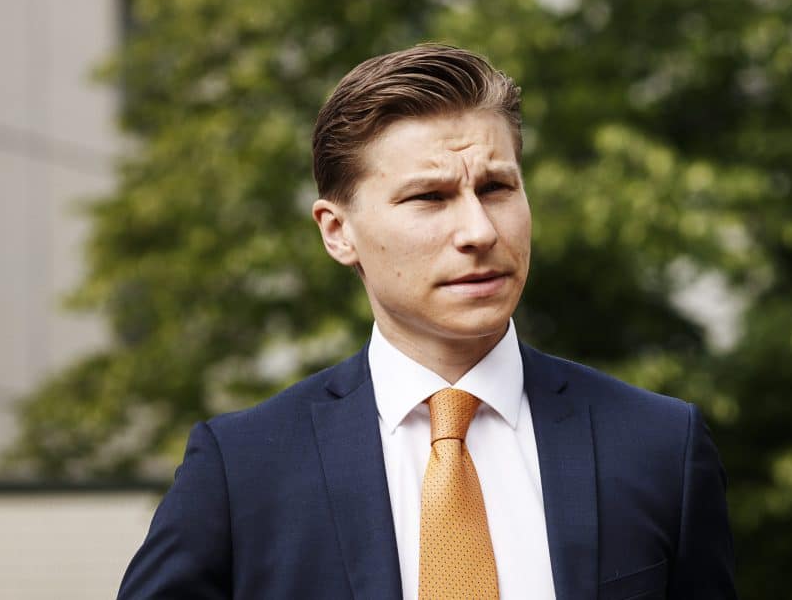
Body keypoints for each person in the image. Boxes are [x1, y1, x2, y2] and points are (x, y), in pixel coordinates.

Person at [117, 44, 738, 599]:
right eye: (429, 197)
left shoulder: (659, 445)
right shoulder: (243, 468)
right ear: (338, 232)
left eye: (496, 188)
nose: (479, 231)